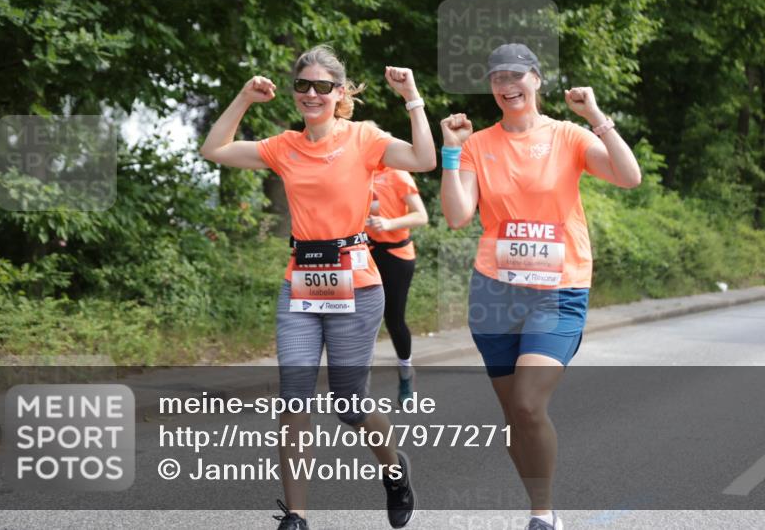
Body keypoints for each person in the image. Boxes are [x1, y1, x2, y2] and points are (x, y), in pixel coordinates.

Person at [200, 45, 436, 530]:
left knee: (349, 402)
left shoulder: (364, 139)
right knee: (293, 398)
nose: (311, 94)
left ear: (340, 92)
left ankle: (395, 472)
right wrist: (244, 97)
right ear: (294, 93)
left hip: (358, 283)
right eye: (303, 85)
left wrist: (411, 95)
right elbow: (214, 149)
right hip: (301, 285)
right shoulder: (285, 146)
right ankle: (298, 516)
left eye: (323, 86)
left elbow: (424, 158)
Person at [440, 43, 641, 530]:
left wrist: (595, 115)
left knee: (529, 403)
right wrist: (450, 150)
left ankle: (543, 514)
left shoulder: (568, 136)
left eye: (516, 75)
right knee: (516, 417)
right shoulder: (477, 145)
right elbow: (457, 215)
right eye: (496, 78)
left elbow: (629, 176)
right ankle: (538, 504)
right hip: (494, 293)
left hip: (558, 289)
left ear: (536, 78)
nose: (506, 85)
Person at [367, 163, 429, 407]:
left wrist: (389, 224)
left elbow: (421, 215)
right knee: (362, 320)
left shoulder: (397, 174)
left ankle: (406, 374)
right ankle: (358, 389)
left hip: (395, 254)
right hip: (363, 253)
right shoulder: (355, 172)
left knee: (393, 318)